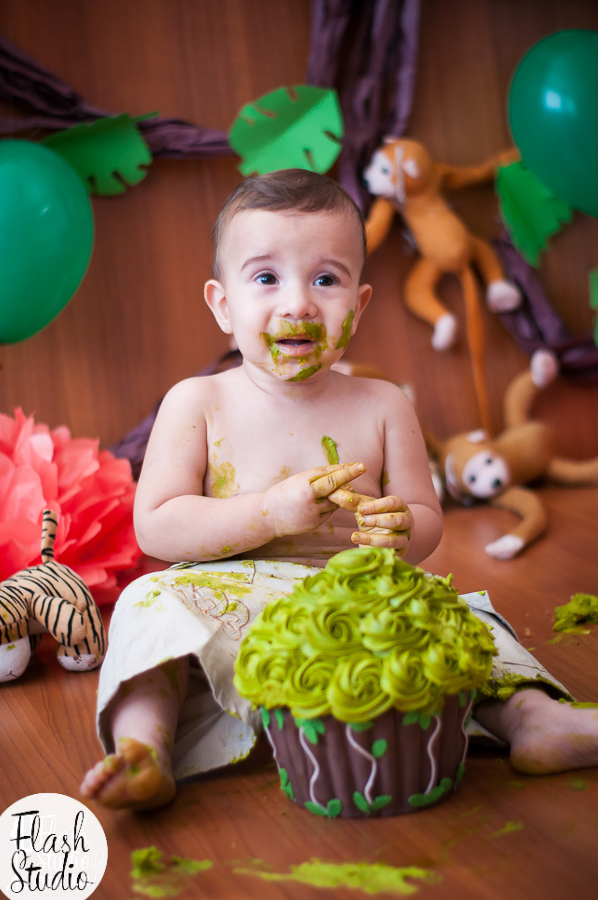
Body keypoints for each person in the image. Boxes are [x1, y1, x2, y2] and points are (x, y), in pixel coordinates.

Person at [81, 170, 598, 810]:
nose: (298, 303)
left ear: (359, 305)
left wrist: (403, 530)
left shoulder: (382, 405)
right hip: (232, 602)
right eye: (266, 278)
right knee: (149, 603)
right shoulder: (198, 401)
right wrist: (269, 513)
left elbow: (426, 518)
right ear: (221, 305)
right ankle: (144, 748)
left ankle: (532, 720)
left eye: (326, 279)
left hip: (358, 607)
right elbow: (156, 526)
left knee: (464, 617)